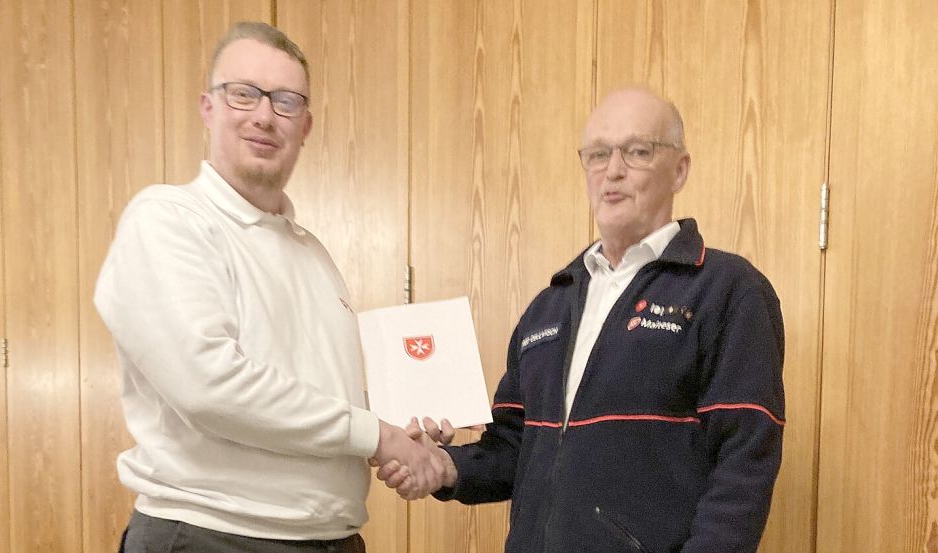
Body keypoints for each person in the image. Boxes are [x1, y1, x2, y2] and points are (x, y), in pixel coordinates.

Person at [379, 87, 786, 553]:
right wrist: (447, 467)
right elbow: (516, 447)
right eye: (597, 154)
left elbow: (744, 467)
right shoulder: (549, 307)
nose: (613, 170)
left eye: (638, 151)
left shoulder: (729, 290)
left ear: (680, 170)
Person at [95, 21, 442, 553]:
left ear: (305, 126)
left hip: (332, 538)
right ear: (208, 108)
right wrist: (377, 436)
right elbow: (209, 386)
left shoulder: (312, 253)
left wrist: (400, 426)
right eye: (243, 94)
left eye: (286, 102)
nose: (264, 115)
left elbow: (321, 397)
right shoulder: (169, 220)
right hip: (213, 536)